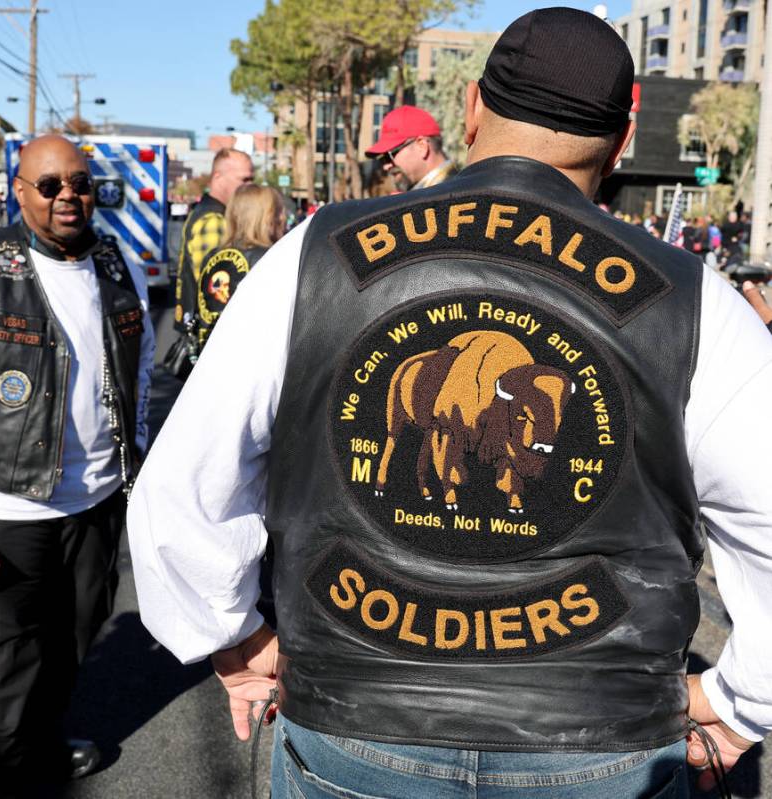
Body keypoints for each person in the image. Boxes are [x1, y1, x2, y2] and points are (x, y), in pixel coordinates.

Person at [128, 8, 772, 798]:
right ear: (625, 134)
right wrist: (737, 705)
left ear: (469, 109)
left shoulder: (313, 254)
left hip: (354, 727)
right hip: (598, 744)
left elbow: (178, 487)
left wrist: (232, 640)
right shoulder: (696, 302)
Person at [0, 134, 154, 798]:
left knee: (73, 637)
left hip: (95, 499)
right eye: (50, 184)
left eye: (80, 183)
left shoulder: (113, 259)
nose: (68, 195)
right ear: (19, 191)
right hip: (0, 505)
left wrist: (139, 455)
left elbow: (140, 366)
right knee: (2, 654)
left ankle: (37, 743)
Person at [173, 148, 254, 333]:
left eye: (251, 179)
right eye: (244, 179)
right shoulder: (213, 221)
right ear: (218, 177)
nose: (250, 186)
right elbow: (216, 291)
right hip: (209, 337)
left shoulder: (215, 215)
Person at [194, 183, 285, 345]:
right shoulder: (271, 258)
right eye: (277, 212)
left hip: (210, 354)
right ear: (266, 218)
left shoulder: (212, 256)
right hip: (250, 357)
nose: (283, 218)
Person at [366, 105, 456, 192]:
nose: (386, 166)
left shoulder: (453, 193)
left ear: (422, 146)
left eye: (389, 156)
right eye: (382, 159)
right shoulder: (434, 193)